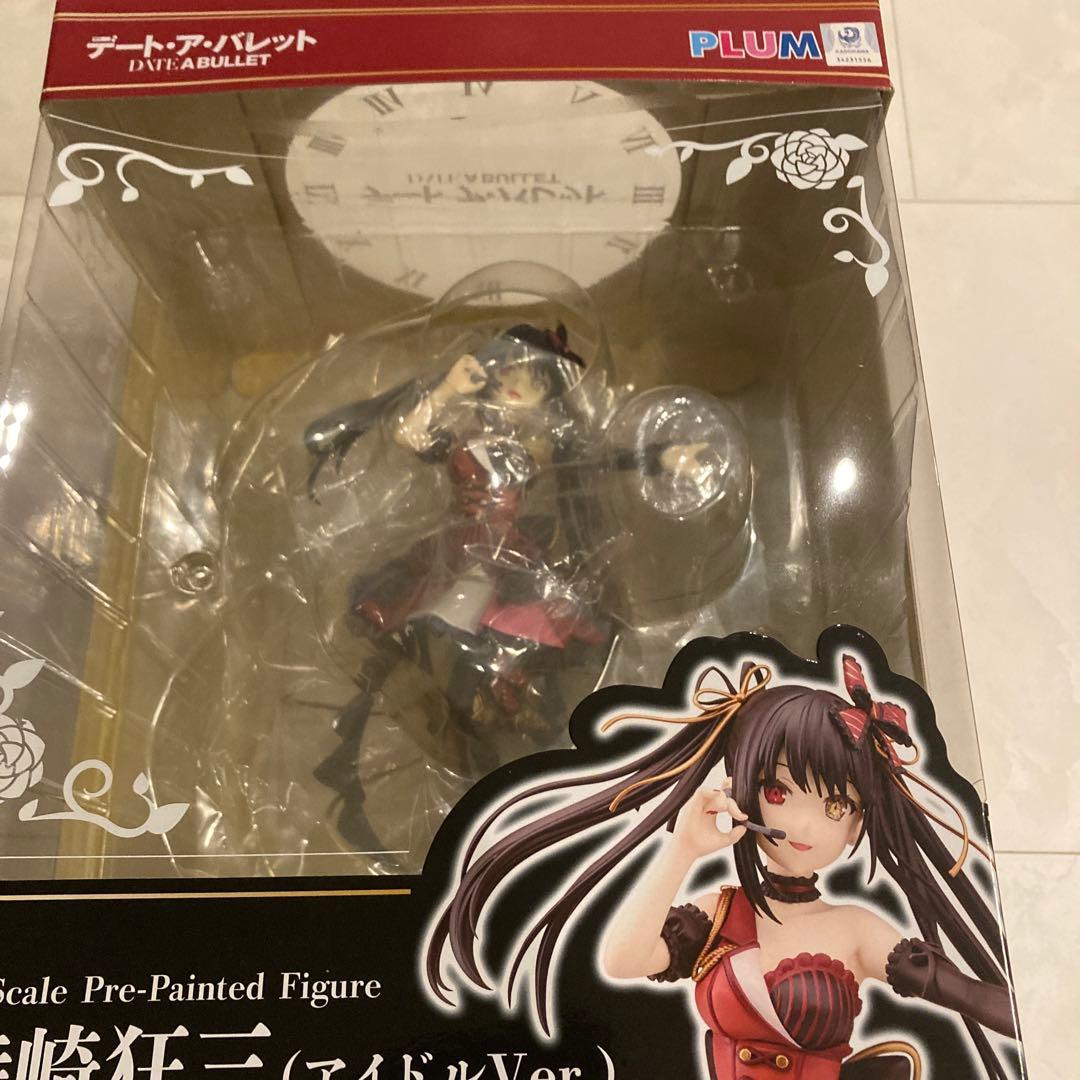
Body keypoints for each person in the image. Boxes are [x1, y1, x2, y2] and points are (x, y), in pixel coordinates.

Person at [426, 650, 1018, 1080]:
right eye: (780, 791)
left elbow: (975, 997)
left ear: (858, 821)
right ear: (744, 789)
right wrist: (681, 849)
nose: (806, 826)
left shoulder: (855, 930)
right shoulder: (719, 915)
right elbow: (621, 960)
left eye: (836, 806)